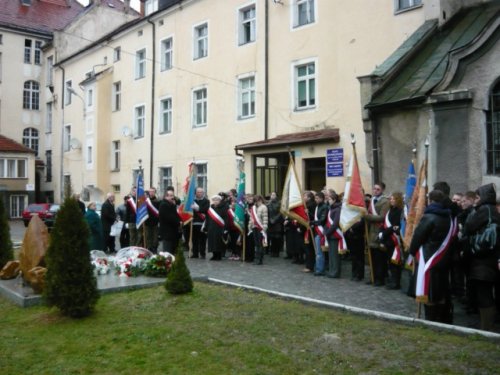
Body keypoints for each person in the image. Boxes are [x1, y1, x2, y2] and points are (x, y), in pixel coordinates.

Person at [409, 190, 454, 323]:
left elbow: (418, 237)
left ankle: (431, 320)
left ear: (431, 201)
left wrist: (412, 252)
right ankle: (441, 318)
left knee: (429, 289)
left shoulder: (429, 217)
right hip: (444, 257)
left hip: (428, 258)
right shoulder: (448, 216)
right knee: (441, 288)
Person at [464, 183, 500, 331]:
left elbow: (469, 226)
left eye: (477, 197)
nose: (475, 200)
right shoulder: (491, 210)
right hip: (487, 261)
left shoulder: (484, 210)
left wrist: (472, 248)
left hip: (483, 262)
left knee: (484, 296)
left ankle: (487, 327)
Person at [365, 182, 390, 286]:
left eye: (378, 189)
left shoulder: (385, 202)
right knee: (373, 256)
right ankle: (373, 277)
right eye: (374, 189)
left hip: (379, 231)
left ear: (382, 190)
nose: (375, 191)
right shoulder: (372, 200)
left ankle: (380, 279)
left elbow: (382, 217)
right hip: (371, 231)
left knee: (379, 258)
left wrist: (367, 216)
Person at [378, 192, 404, 290]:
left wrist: (384, 233)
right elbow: (384, 223)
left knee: (395, 262)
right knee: (390, 261)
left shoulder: (399, 211)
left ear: (398, 200)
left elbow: (395, 226)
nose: (392, 200)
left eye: (394, 199)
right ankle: (393, 279)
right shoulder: (390, 210)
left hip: (394, 240)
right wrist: (381, 232)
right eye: (391, 199)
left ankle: (396, 282)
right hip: (387, 239)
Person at [324, 191, 343, 278]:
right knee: (331, 254)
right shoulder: (330, 208)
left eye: (330, 199)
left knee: (335, 255)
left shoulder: (337, 209)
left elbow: (335, 224)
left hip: (334, 234)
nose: (328, 201)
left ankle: (335, 272)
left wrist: (327, 232)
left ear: (334, 200)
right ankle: (331, 270)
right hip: (330, 234)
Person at [311, 191, 329, 276]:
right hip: (316, 231)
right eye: (315, 198)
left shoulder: (324, 207)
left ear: (322, 198)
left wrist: (312, 222)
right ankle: (317, 267)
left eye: (317, 198)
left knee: (319, 252)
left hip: (321, 231)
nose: (315, 200)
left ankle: (320, 269)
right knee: (317, 251)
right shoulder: (317, 207)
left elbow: (322, 220)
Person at [206, 194, 227, 261]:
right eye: (214, 200)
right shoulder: (210, 209)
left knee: (218, 242)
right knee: (212, 242)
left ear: (220, 201)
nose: (215, 201)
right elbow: (207, 218)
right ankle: (214, 255)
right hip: (211, 228)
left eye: (217, 200)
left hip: (219, 228)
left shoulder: (223, 208)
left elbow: (225, 219)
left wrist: (225, 228)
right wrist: (206, 227)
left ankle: (219, 255)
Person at [190, 187, 210, 259]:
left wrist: (197, 208)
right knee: (194, 239)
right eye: (198, 192)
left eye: (201, 192)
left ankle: (202, 253)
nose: (199, 193)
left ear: (203, 193)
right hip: (194, 222)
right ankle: (195, 253)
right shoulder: (192, 200)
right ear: (195, 193)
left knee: (203, 240)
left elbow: (205, 209)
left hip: (203, 223)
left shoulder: (206, 201)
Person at [159, 189, 181, 254]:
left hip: (172, 233)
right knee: (168, 253)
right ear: (166, 196)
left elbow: (175, 214)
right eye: (170, 196)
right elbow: (170, 218)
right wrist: (179, 222)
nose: (172, 197)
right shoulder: (164, 205)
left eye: (173, 195)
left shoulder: (170, 204)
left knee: (173, 251)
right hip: (167, 233)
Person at [249, 194, 268, 265]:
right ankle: (257, 258)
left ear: (260, 200)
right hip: (254, 228)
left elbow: (265, 218)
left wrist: (264, 228)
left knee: (260, 244)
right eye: (255, 201)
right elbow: (251, 218)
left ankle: (260, 259)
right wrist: (249, 226)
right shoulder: (253, 208)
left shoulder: (264, 207)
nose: (256, 202)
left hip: (261, 228)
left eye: (257, 201)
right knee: (256, 244)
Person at [302, 191, 316, 273]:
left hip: (310, 228)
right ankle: (309, 265)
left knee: (309, 249)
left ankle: (310, 266)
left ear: (309, 197)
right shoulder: (307, 205)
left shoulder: (311, 205)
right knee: (307, 248)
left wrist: (308, 213)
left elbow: (313, 217)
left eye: (305, 196)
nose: (303, 198)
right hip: (307, 228)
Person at [267, 192, 284, 258]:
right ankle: (272, 251)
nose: (272, 196)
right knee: (271, 237)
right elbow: (267, 213)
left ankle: (276, 252)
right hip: (270, 222)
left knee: (277, 237)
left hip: (277, 222)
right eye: (271, 195)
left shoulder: (279, 203)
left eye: (273, 195)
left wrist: (275, 219)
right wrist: (270, 219)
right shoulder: (268, 203)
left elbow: (280, 212)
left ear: (276, 196)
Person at [145, 187, 160, 253]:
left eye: (153, 191)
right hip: (147, 221)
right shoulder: (146, 201)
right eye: (150, 191)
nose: (151, 193)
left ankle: (154, 248)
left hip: (155, 221)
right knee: (148, 236)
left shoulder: (158, 201)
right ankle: (149, 248)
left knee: (155, 237)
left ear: (155, 192)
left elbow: (159, 211)